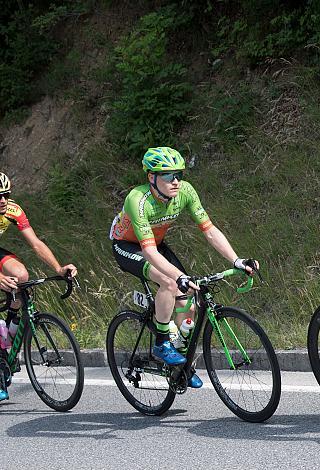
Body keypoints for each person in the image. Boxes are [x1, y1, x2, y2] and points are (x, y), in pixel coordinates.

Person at [110, 147, 258, 389]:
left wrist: (236, 260)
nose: (176, 181)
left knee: (189, 298)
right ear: (151, 177)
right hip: (128, 246)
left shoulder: (185, 192)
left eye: (178, 174)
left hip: (156, 245)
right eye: (168, 175)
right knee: (169, 282)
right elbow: (148, 252)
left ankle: (182, 365)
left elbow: (209, 230)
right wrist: (179, 277)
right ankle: (161, 342)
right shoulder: (137, 199)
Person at [0, 172, 78, 401]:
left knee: (22, 276)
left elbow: (35, 243)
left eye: (6, 195)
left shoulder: (13, 210)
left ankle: (9, 331)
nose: (3, 200)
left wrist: (57, 268)